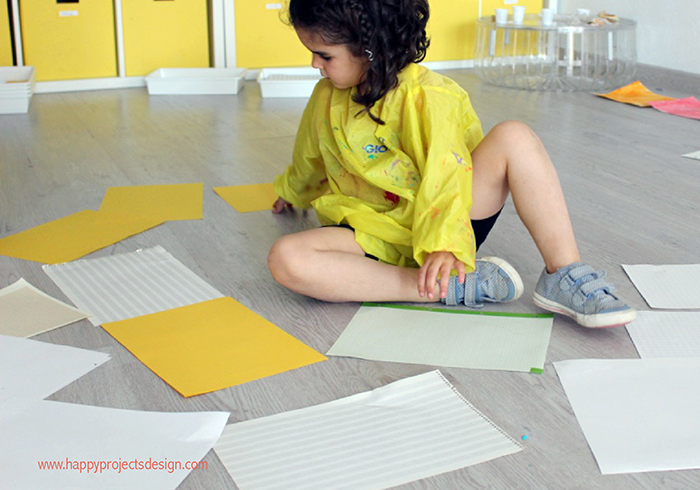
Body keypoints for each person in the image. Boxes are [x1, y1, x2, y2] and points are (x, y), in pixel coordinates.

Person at [267, 0, 635, 328]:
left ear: (369, 49)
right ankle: (440, 287)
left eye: (324, 55)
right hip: (376, 232)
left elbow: (446, 173)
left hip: (450, 221)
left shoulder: (427, 95)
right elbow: (310, 155)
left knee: (515, 136)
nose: (314, 63)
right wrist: (292, 191)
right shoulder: (325, 96)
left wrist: (443, 245)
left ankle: (564, 272)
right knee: (286, 259)